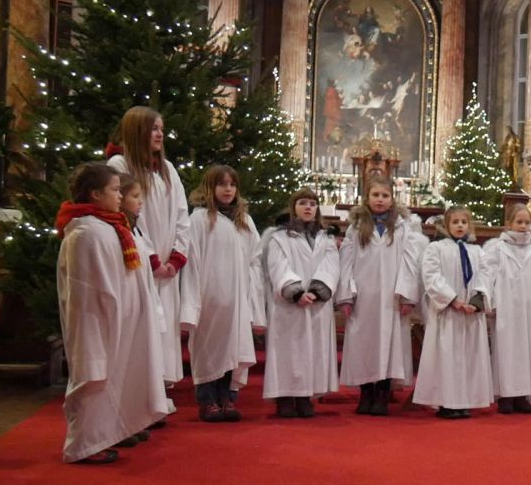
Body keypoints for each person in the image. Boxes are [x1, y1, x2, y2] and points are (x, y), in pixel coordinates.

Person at [56, 163, 169, 464]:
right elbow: (86, 287)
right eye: (115, 190)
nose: (120, 196)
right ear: (95, 194)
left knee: (117, 374)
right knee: (94, 375)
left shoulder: (111, 226)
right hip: (97, 319)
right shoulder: (85, 233)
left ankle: (111, 431)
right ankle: (84, 444)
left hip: (120, 317)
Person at [107, 106, 190, 391]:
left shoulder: (167, 169)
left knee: (165, 327)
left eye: (161, 129)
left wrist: (176, 258)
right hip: (140, 260)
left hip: (168, 266)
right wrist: (151, 257)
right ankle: (141, 390)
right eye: (154, 128)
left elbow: (182, 215)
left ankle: (161, 388)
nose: (160, 134)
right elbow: (130, 215)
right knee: (144, 325)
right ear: (138, 130)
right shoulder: (120, 164)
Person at [179, 165, 265, 423]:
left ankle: (227, 398)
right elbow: (192, 261)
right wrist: (192, 303)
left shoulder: (244, 220)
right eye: (222, 184)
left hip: (237, 299)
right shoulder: (200, 219)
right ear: (210, 187)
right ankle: (207, 400)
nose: (228, 189)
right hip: (210, 297)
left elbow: (255, 259)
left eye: (232, 185)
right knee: (209, 349)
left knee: (234, 348)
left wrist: (252, 298)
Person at [335, 175, 427, 416]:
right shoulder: (356, 228)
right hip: (363, 297)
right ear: (367, 198)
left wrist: (407, 296)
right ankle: (366, 393)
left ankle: (383, 394)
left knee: (389, 344)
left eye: (385, 195)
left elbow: (410, 262)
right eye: (375, 195)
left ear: (392, 199)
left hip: (391, 298)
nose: (380, 199)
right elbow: (346, 262)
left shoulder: (402, 228)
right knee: (364, 344)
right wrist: (346, 295)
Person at [263, 189, 340, 418]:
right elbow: (277, 265)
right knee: (289, 351)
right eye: (303, 203)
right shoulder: (280, 238)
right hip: (289, 304)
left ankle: (305, 396)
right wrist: (295, 292)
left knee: (312, 350)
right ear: (293, 207)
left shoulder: (325, 238)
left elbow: (331, 265)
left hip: (316, 303)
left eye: (313, 204)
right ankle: (285, 397)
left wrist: (317, 290)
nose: (308, 207)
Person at [413, 206, 493, 418]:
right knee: (447, 357)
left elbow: (486, 275)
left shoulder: (477, 251)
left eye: (464, 222)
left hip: (470, 313)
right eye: (455, 222)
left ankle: (465, 400)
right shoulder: (436, 248)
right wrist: (453, 300)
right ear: (446, 225)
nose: (460, 226)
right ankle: (446, 402)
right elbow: (431, 276)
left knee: (468, 357)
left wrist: (477, 300)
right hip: (447, 312)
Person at [480, 203, 531, 414]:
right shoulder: (497, 248)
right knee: (507, 350)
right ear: (508, 223)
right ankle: (505, 394)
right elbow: (487, 276)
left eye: (527, 222)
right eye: (519, 222)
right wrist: (491, 302)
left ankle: (523, 395)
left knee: (530, 351)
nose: (523, 226)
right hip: (507, 308)